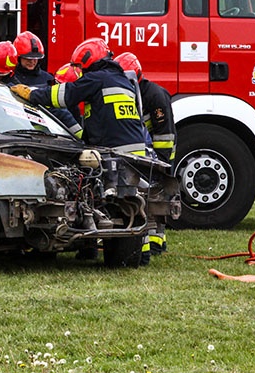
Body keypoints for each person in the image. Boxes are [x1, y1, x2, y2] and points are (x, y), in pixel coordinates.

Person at [11, 38, 152, 230]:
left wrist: (32, 95)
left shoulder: (97, 78)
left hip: (112, 150)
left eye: (80, 67)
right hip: (134, 152)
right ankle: (136, 251)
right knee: (129, 203)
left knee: (99, 196)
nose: (81, 73)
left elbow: (65, 95)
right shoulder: (122, 80)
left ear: (88, 61)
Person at [114, 51, 175, 259]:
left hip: (159, 156)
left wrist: (161, 163)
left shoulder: (154, 95)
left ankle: (157, 243)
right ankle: (154, 243)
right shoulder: (130, 92)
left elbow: (165, 136)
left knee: (157, 197)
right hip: (145, 154)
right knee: (148, 199)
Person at [13, 31, 83, 138]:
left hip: (46, 134)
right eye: (28, 58)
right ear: (18, 57)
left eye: (36, 58)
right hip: (16, 130)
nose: (32, 62)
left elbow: (64, 110)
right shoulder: (11, 77)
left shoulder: (48, 79)